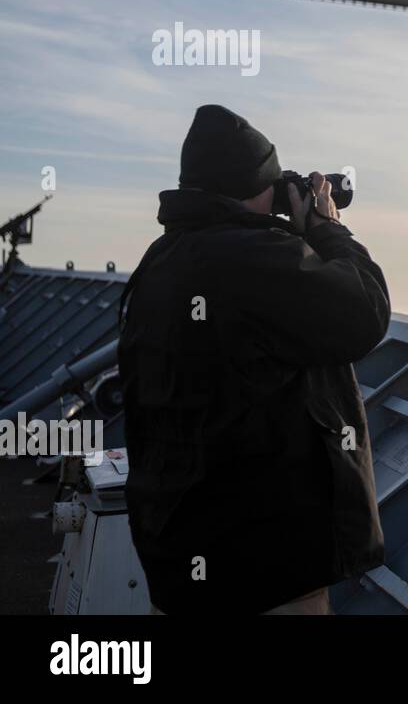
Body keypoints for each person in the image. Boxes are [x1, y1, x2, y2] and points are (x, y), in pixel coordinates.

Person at [118, 104, 390, 614]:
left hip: (181, 553)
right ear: (257, 185)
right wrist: (327, 228)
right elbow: (364, 311)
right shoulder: (252, 256)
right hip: (267, 570)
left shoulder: (163, 260)